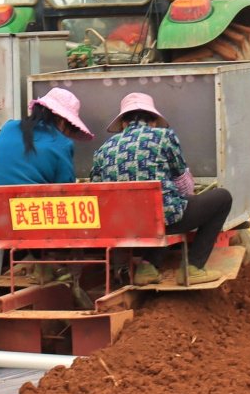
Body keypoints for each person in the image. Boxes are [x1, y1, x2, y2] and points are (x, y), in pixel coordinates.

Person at [90, 92, 232, 286]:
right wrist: (188, 196)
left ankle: (147, 267)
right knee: (221, 198)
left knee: (159, 209)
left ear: (123, 123)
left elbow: (97, 188)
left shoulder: (104, 148)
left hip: (124, 225)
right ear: (154, 121)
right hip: (160, 219)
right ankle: (193, 268)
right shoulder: (164, 137)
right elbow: (183, 182)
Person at [0, 87, 94, 283]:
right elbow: (65, 190)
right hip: (24, 217)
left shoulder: (9, 127)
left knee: (24, 202)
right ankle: (45, 265)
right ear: (62, 121)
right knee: (51, 209)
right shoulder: (62, 143)